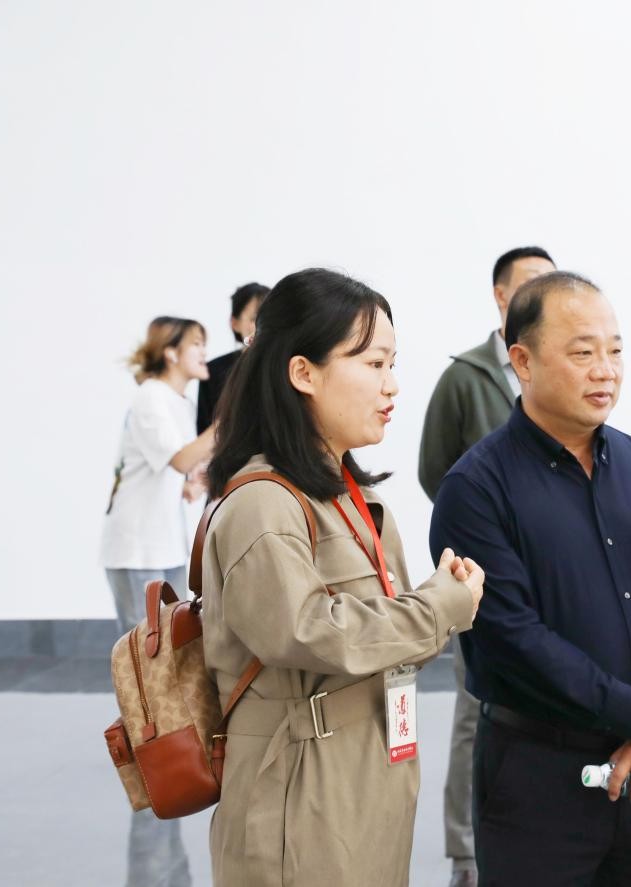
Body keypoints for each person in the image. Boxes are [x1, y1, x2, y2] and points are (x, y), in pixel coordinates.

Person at [429, 271, 631, 886]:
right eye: (583, 353)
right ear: (523, 361)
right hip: (538, 783)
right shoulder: (476, 489)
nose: (605, 371)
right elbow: (511, 638)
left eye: (615, 351)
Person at [199, 268, 485, 887]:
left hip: (364, 781)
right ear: (303, 373)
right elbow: (305, 630)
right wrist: (440, 606)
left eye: (392, 364)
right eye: (374, 364)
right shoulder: (263, 502)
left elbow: (384, 633)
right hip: (300, 790)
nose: (392, 385)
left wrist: (439, 600)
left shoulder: (351, 497)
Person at [417, 245, 555, 887]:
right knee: (476, 709)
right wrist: (479, 535)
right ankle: (465, 850)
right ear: (501, 296)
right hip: (480, 579)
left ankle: (536, 833)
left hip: (548, 574)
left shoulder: (555, 370)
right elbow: (435, 471)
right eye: (532, 282)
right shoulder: (465, 377)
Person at [100, 315, 216, 887]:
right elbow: (178, 458)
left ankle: (164, 743)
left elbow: (174, 470)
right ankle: (147, 754)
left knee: (164, 653)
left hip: (163, 541)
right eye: (196, 345)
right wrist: (229, 420)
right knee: (141, 660)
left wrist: (190, 483)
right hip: (136, 548)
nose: (203, 355)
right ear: (171, 352)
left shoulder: (173, 401)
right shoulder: (151, 397)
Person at [196, 282, 268, 433]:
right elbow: (205, 429)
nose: (264, 325)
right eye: (254, 319)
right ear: (234, 323)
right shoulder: (213, 371)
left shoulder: (290, 365)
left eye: (269, 317)